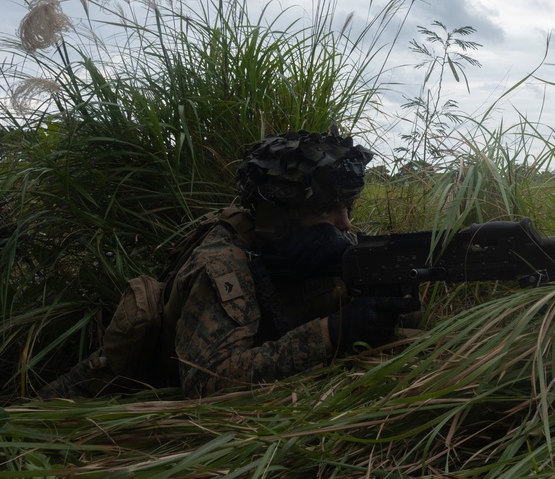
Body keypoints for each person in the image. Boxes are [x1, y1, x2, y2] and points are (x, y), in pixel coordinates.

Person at [39, 129, 419, 399]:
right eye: (325, 210)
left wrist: (383, 296)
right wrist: (334, 332)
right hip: (98, 404)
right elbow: (209, 383)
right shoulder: (223, 264)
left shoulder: (322, 244)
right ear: (277, 217)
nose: (345, 224)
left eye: (346, 208)